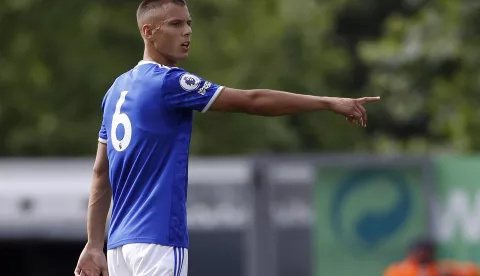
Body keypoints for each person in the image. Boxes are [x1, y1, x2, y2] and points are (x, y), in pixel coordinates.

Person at [73, 0, 381, 275]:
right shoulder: (170, 82)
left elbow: (101, 173)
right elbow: (252, 101)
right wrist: (327, 102)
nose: (187, 32)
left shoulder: (115, 91)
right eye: (176, 24)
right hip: (157, 239)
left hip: (119, 248)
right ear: (148, 31)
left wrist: (94, 243)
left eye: (189, 23)